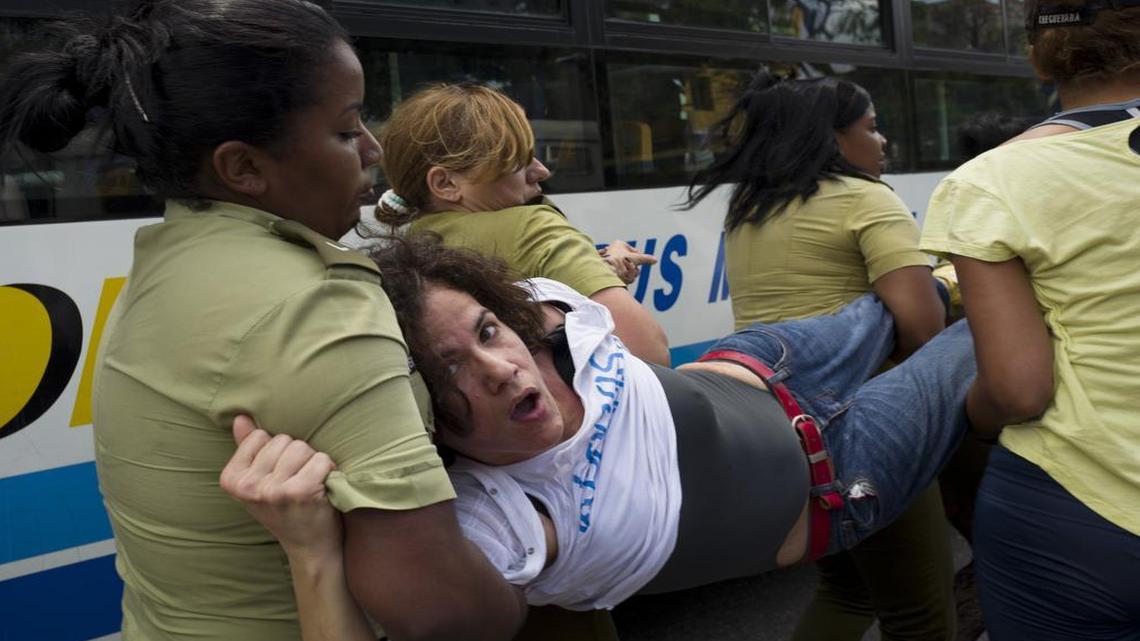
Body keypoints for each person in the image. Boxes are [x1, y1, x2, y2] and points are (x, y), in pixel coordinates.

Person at [0, 2, 525, 640]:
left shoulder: (174, 254)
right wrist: (541, 574)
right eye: (346, 129)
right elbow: (443, 612)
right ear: (243, 168)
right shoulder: (313, 305)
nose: (373, 148)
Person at [221, 233, 977, 640]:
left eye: (487, 330)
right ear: (412, 404)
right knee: (976, 334)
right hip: (840, 474)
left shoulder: (536, 320)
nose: (498, 365)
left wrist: (603, 266)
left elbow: (613, 331)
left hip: (758, 363)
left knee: (913, 298)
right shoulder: (498, 518)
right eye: (449, 369)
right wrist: (310, 550)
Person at [684, 72, 955, 641]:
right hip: (865, 423)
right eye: (872, 128)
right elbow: (924, 327)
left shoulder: (753, 209)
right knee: (920, 609)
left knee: (850, 589)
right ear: (833, 139)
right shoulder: (867, 199)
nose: (883, 143)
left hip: (783, 427)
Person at [920, 0, 1140, 638]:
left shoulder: (993, 180)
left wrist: (966, 413)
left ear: (1037, 56)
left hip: (1077, 514)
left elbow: (1018, 388)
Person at [371, 83, 670, 367]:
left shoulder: (413, 241)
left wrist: (598, 270)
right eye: (517, 161)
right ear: (445, 183)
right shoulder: (532, 227)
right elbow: (649, 351)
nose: (541, 171)